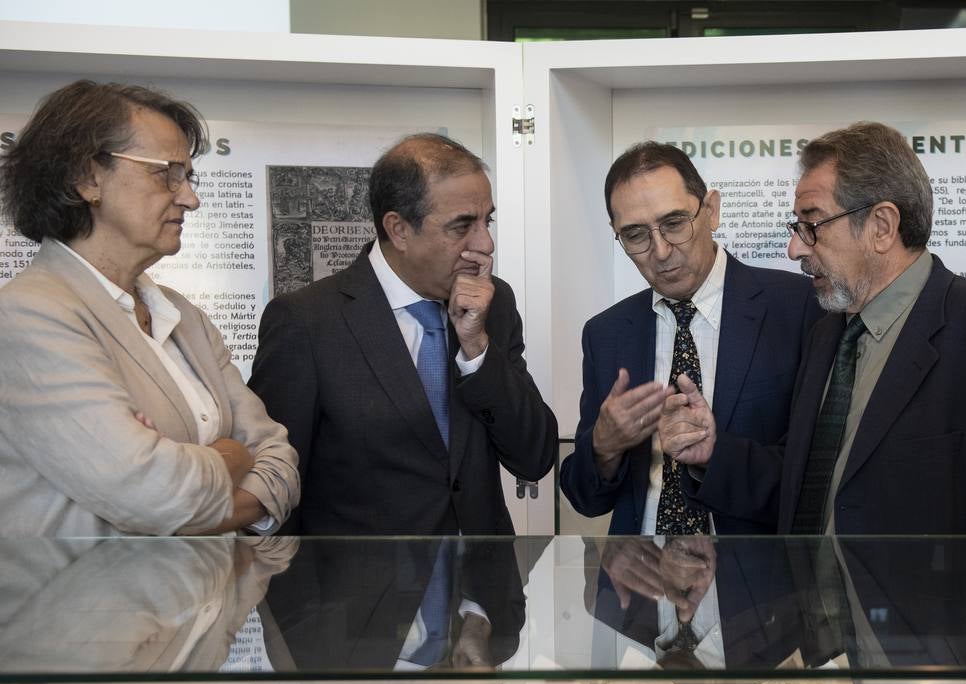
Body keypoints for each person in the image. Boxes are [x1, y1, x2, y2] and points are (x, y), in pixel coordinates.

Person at [661, 121, 966, 587]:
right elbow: (809, 486)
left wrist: (964, 650)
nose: (794, 249)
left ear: (882, 227)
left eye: (811, 225)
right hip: (819, 646)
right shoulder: (827, 334)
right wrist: (714, 454)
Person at [0, 80, 298, 537]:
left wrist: (184, 473)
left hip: (200, 601)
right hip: (84, 607)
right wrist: (233, 457)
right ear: (87, 178)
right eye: (167, 174)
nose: (190, 198)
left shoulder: (184, 316)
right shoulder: (28, 314)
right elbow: (148, 491)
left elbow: (279, 459)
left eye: (188, 177)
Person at [249, 133, 557, 535]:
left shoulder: (493, 305)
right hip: (359, 592)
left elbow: (534, 456)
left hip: (481, 589)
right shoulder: (306, 322)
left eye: (487, 221)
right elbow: (277, 485)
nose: (485, 244)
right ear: (398, 229)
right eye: (462, 226)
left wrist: (477, 347)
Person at [560, 141, 821, 536]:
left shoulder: (800, 308)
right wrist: (603, 447)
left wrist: (715, 457)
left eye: (674, 223)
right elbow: (586, 499)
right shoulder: (606, 333)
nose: (661, 251)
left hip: (754, 584)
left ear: (711, 211)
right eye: (635, 235)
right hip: (639, 583)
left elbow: (816, 478)